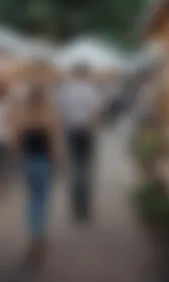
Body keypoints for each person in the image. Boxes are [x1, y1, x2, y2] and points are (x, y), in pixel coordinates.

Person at [13, 84, 65, 270]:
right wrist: (58, 164)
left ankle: (34, 236)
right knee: (42, 201)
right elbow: (54, 144)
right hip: (44, 162)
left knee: (32, 201)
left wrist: (19, 162)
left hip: (28, 162)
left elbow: (17, 141)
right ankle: (39, 237)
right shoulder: (50, 116)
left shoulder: (23, 116)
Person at [57, 64, 102, 222]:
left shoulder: (65, 90)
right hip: (86, 132)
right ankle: (85, 209)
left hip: (71, 132)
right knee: (86, 170)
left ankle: (76, 208)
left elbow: (59, 112)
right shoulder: (91, 90)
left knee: (74, 169)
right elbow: (96, 112)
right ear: (86, 73)